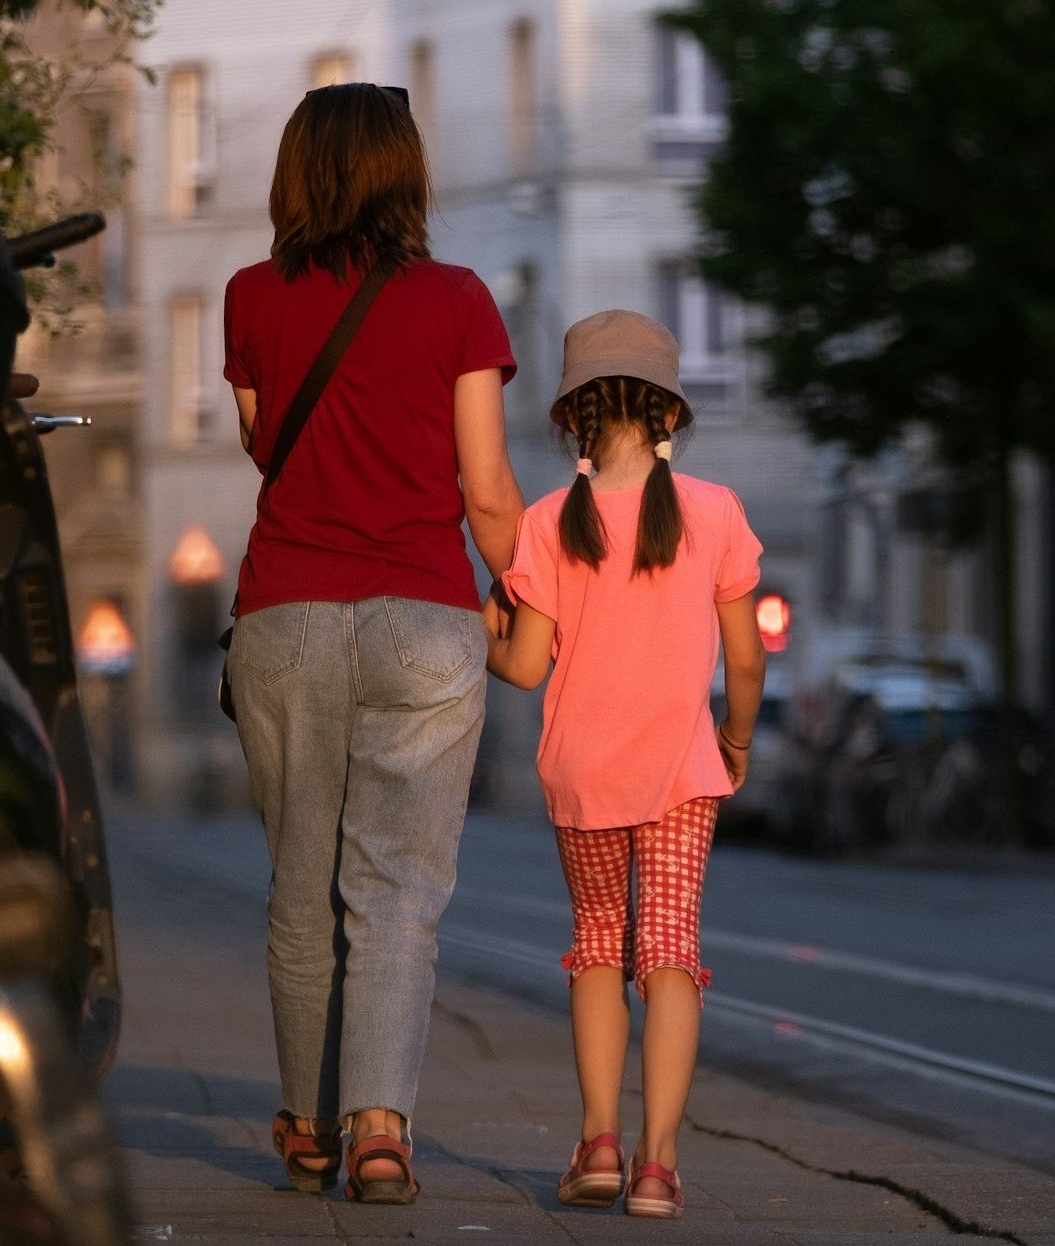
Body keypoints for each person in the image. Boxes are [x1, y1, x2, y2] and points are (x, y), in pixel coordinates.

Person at [222, 83, 524, 1203]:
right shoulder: (458, 302)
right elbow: (487, 491)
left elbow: (267, 449)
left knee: (300, 882)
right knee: (397, 888)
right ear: (407, 171)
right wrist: (529, 599)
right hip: (427, 618)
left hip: (286, 611)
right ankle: (384, 1128)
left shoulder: (250, 296)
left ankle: (305, 1121)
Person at [484, 310, 767, 1220]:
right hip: (681, 772)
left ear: (573, 422)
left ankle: (597, 1141)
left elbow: (526, 667)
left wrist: (481, 630)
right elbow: (747, 660)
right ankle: (658, 1165)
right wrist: (737, 741)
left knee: (599, 950)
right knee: (671, 952)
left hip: (582, 775)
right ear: (669, 417)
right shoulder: (716, 513)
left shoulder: (544, 523)